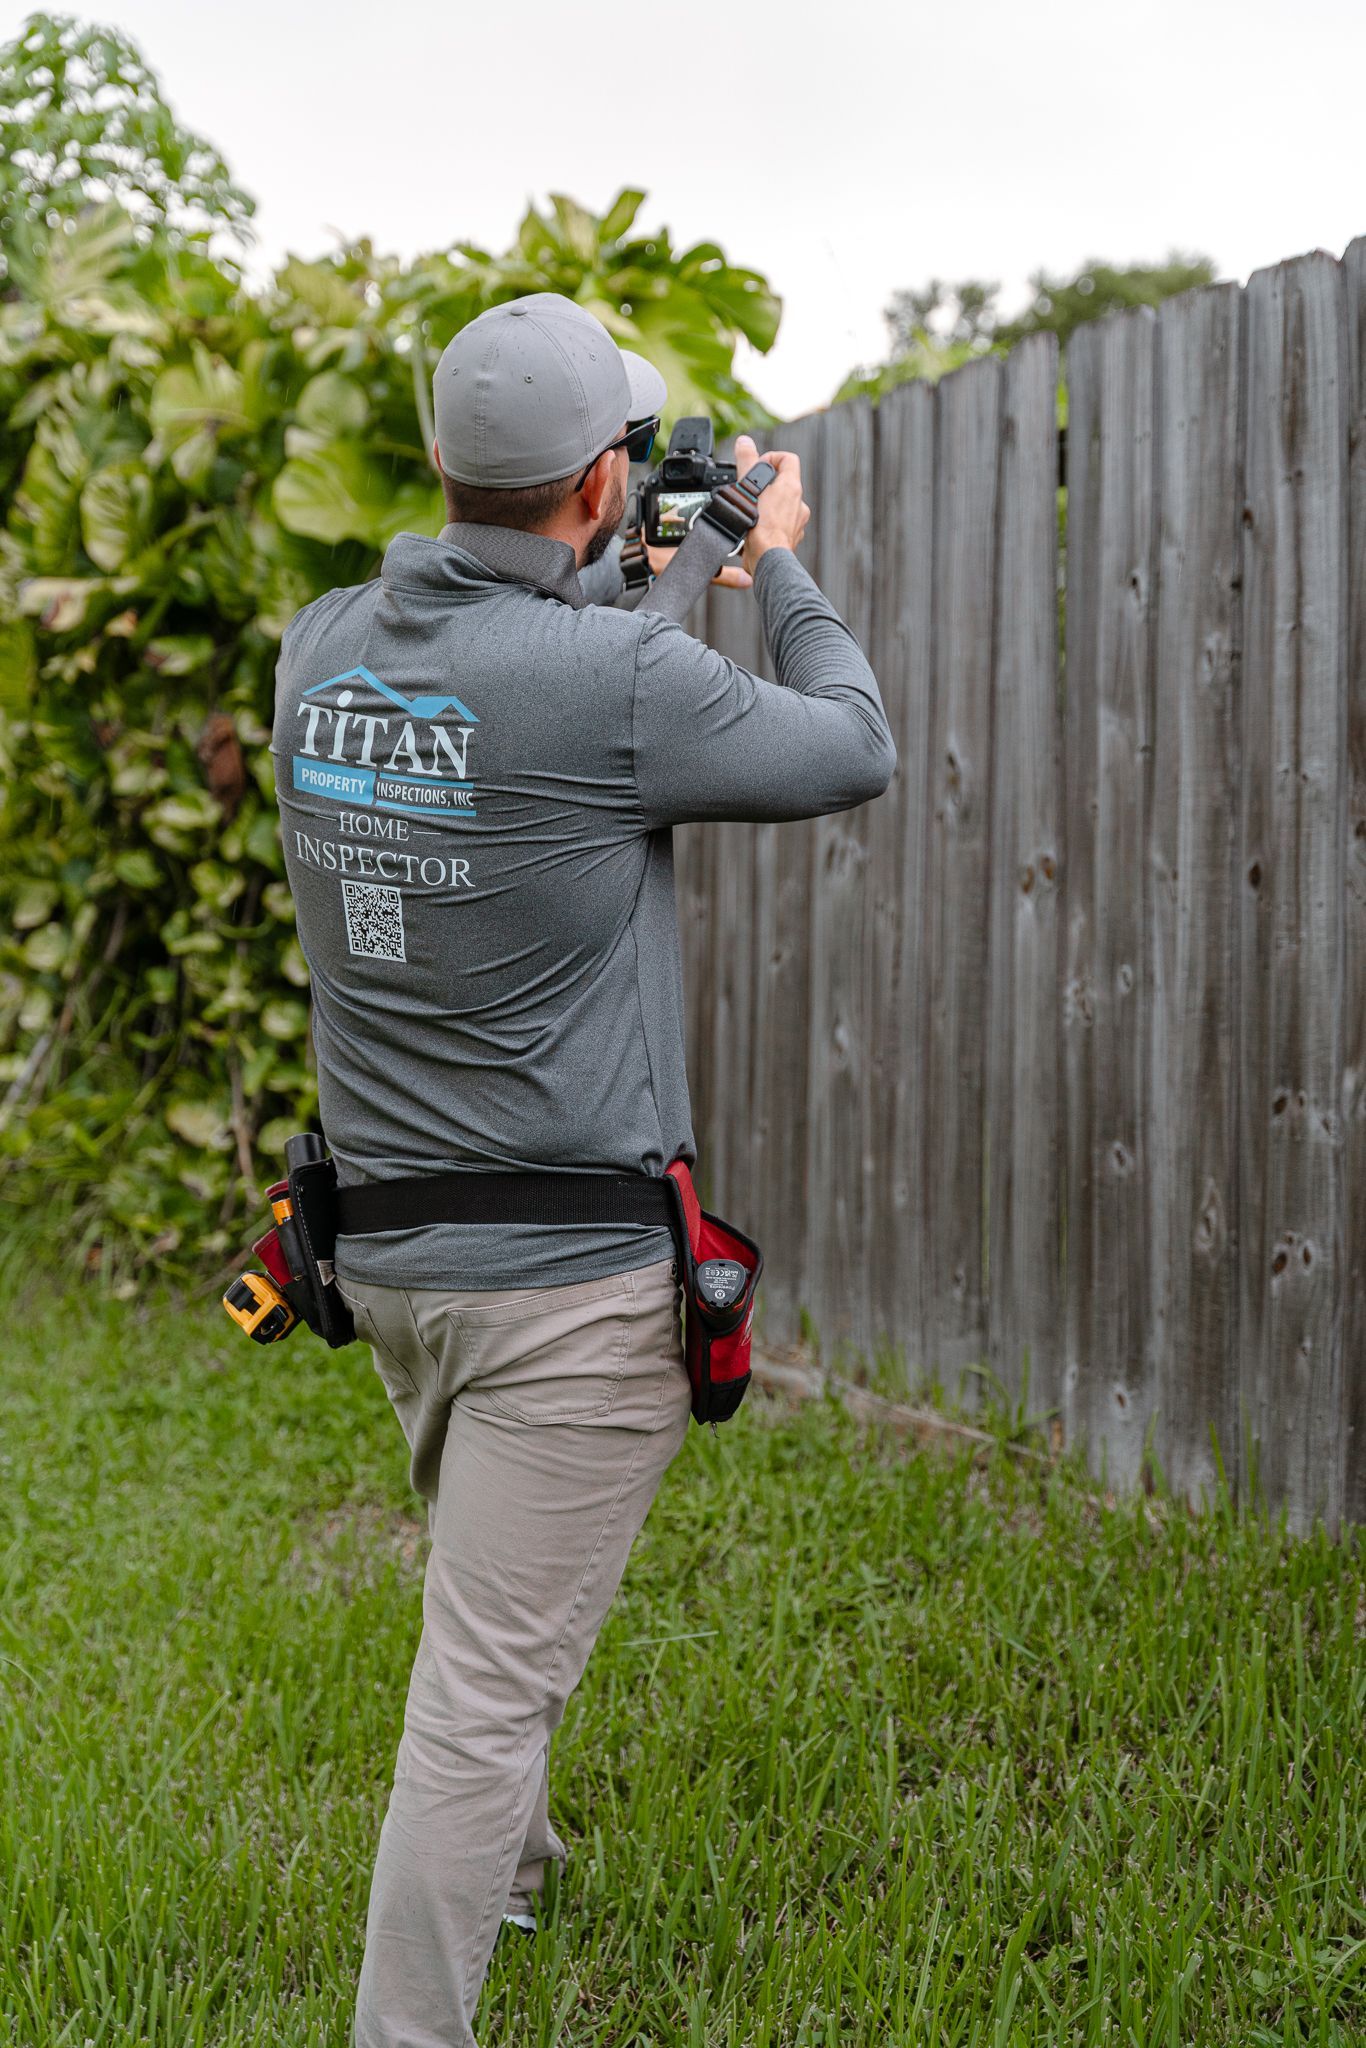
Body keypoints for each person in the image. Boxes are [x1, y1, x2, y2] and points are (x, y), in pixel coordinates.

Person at [271, 291, 895, 2048]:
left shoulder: (318, 648)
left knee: (492, 1608)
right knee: (475, 1698)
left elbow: (502, 694)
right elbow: (849, 743)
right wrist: (773, 563)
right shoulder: (618, 680)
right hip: (565, 1300)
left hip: (387, 1263)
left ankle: (521, 1867)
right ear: (601, 478)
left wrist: (649, 573)